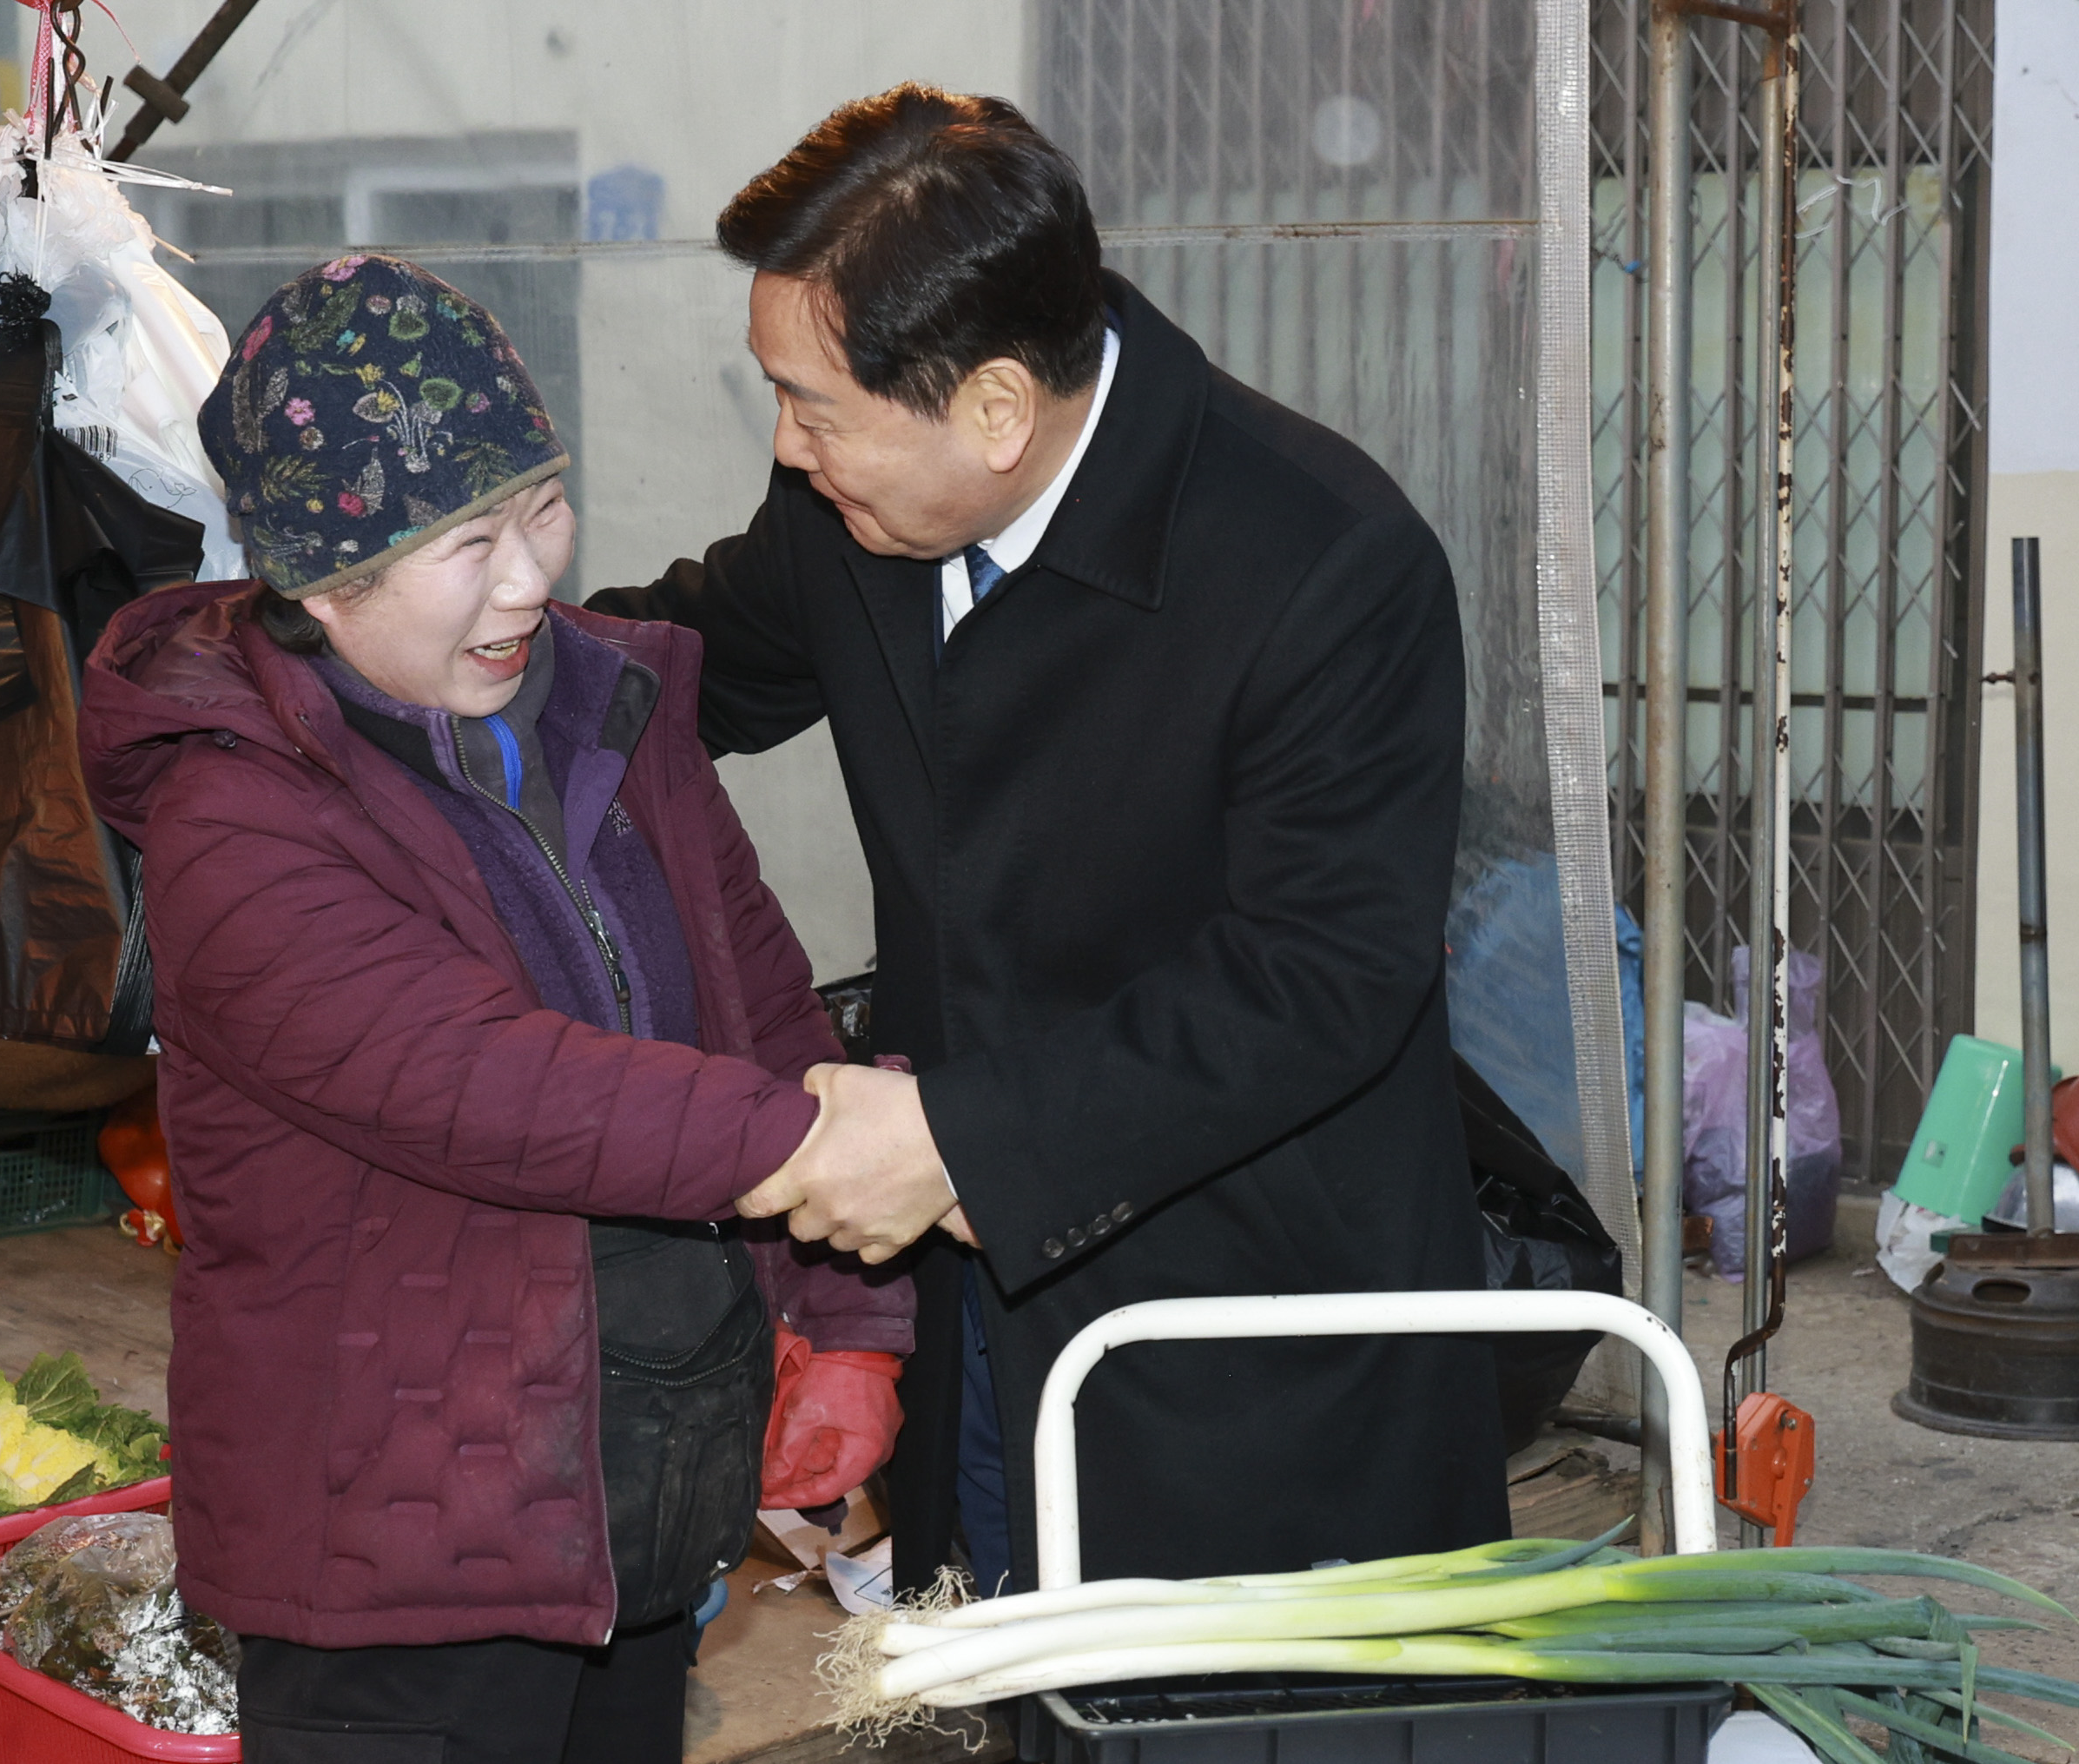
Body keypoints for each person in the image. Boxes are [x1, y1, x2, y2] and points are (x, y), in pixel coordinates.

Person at [589, 87, 1509, 1599]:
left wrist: (960, 1138)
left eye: (815, 404)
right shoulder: (856, 509)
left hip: (1246, 1322)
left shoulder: (1323, 567)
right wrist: (442, 644)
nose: (787, 441)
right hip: (986, 1302)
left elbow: (1319, 981)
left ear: (1000, 408)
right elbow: (688, 667)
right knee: (1019, 1664)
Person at [79, 254, 910, 1764]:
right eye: (467, 539)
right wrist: (835, 1145)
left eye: (540, 503)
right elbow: (490, 1083)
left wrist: (845, 1323)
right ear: (321, 583)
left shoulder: (618, 707)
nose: (530, 575)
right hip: (399, 1566)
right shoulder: (235, 817)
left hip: (640, 1513)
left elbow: (764, 1005)